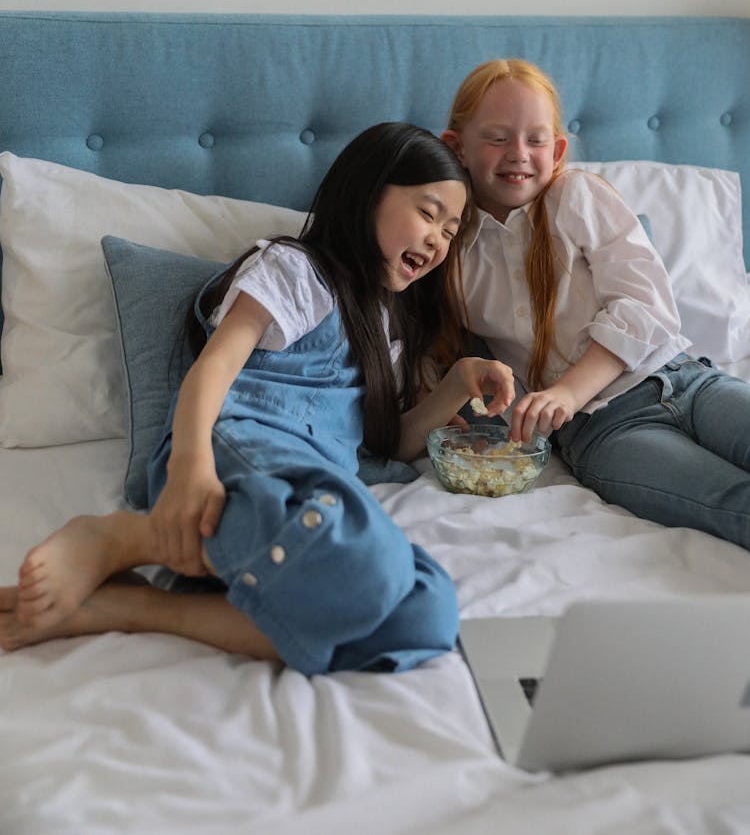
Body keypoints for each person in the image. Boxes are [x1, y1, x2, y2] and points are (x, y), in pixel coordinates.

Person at [0, 122, 514, 673]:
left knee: (429, 617)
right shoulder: (298, 272)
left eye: (451, 230)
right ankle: (126, 538)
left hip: (313, 490)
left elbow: (393, 444)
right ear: (368, 194)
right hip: (239, 458)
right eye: (429, 213)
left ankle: (138, 605)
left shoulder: (386, 331)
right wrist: (189, 468)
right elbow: (214, 366)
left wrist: (457, 382)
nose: (439, 239)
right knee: (369, 566)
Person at [441, 58, 750, 552]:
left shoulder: (576, 197)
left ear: (557, 149)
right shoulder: (450, 250)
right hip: (604, 430)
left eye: (536, 140)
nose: (518, 154)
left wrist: (565, 391)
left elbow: (645, 304)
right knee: (736, 502)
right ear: (456, 147)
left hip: (685, 378)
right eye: (497, 138)